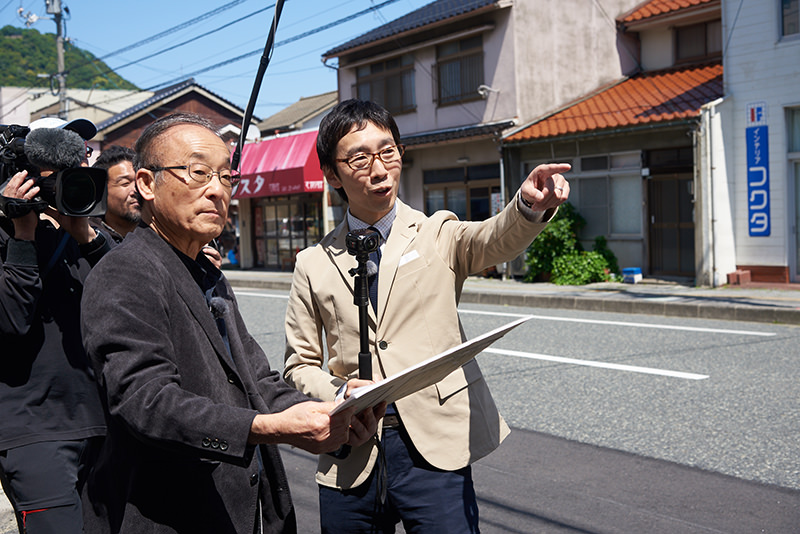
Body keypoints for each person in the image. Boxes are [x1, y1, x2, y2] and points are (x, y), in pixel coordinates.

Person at [79, 112, 383, 534]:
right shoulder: (125, 271)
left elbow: (257, 379)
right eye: (198, 172)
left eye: (226, 177)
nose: (217, 190)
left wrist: (333, 409)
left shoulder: (208, 274)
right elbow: (145, 402)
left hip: (244, 509)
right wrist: (268, 428)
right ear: (147, 184)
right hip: (170, 512)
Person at [283, 99, 571, 533]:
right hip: (352, 447)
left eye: (388, 152)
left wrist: (527, 207)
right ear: (331, 174)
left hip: (434, 445)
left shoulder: (438, 231)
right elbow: (298, 365)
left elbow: (491, 239)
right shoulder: (313, 262)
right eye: (360, 158)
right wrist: (340, 392)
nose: (379, 169)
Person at [0, 118, 109, 533]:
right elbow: (11, 320)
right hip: (33, 432)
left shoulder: (79, 230)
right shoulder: (7, 238)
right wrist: (22, 236)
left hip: (104, 422)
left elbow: (132, 298)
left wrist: (85, 234)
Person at [90, 145, 140, 243]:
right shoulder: (86, 236)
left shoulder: (161, 235)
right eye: (125, 183)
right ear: (102, 191)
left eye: (140, 182)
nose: (136, 190)